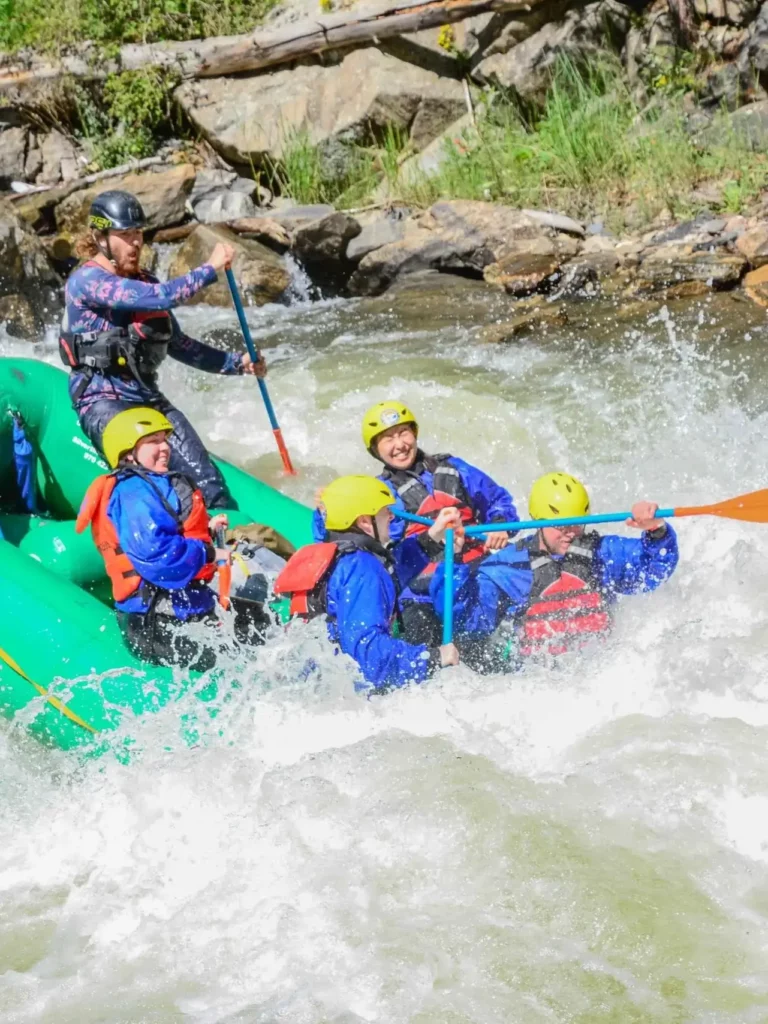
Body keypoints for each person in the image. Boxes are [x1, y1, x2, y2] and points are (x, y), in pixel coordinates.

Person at [60, 189, 267, 510]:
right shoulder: (88, 281)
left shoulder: (146, 281)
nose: (135, 243)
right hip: (101, 400)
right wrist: (210, 268)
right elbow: (164, 297)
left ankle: (231, 532)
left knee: (209, 483)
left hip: (146, 398)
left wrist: (237, 363)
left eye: (138, 233)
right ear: (101, 238)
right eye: (125, 235)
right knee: (159, 481)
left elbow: (178, 344)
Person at [433, 471, 679, 665]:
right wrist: (454, 559)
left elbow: (654, 571)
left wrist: (656, 529)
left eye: (577, 524)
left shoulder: (603, 554)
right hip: (535, 677)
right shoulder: (508, 568)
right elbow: (467, 621)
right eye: (562, 526)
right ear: (539, 521)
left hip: (600, 667)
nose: (571, 533)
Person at [75, 406, 236, 671]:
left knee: (259, 625)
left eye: (164, 440)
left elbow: (173, 528)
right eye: (153, 441)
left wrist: (206, 528)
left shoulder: (151, 483)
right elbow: (157, 554)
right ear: (128, 453)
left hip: (184, 607)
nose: (165, 448)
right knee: (236, 664)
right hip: (154, 621)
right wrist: (210, 553)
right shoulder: (133, 492)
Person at [274, 475, 460, 691]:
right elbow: (369, 656)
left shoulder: (342, 557)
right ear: (364, 521)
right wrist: (433, 657)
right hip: (344, 694)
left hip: (313, 684)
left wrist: (433, 538)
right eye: (384, 511)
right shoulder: (362, 569)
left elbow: (390, 575)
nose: (391, 516)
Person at [361, 400, 521, 646]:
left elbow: (498, 501)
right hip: (421, 596)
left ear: (414, 433)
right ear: (375, 449)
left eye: (403, 433)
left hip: (476, 577)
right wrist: (322, 512)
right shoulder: (377, 494)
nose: (400, 445)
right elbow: (373, 549)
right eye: (388, 439)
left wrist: (499, 526)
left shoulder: (454, 469)